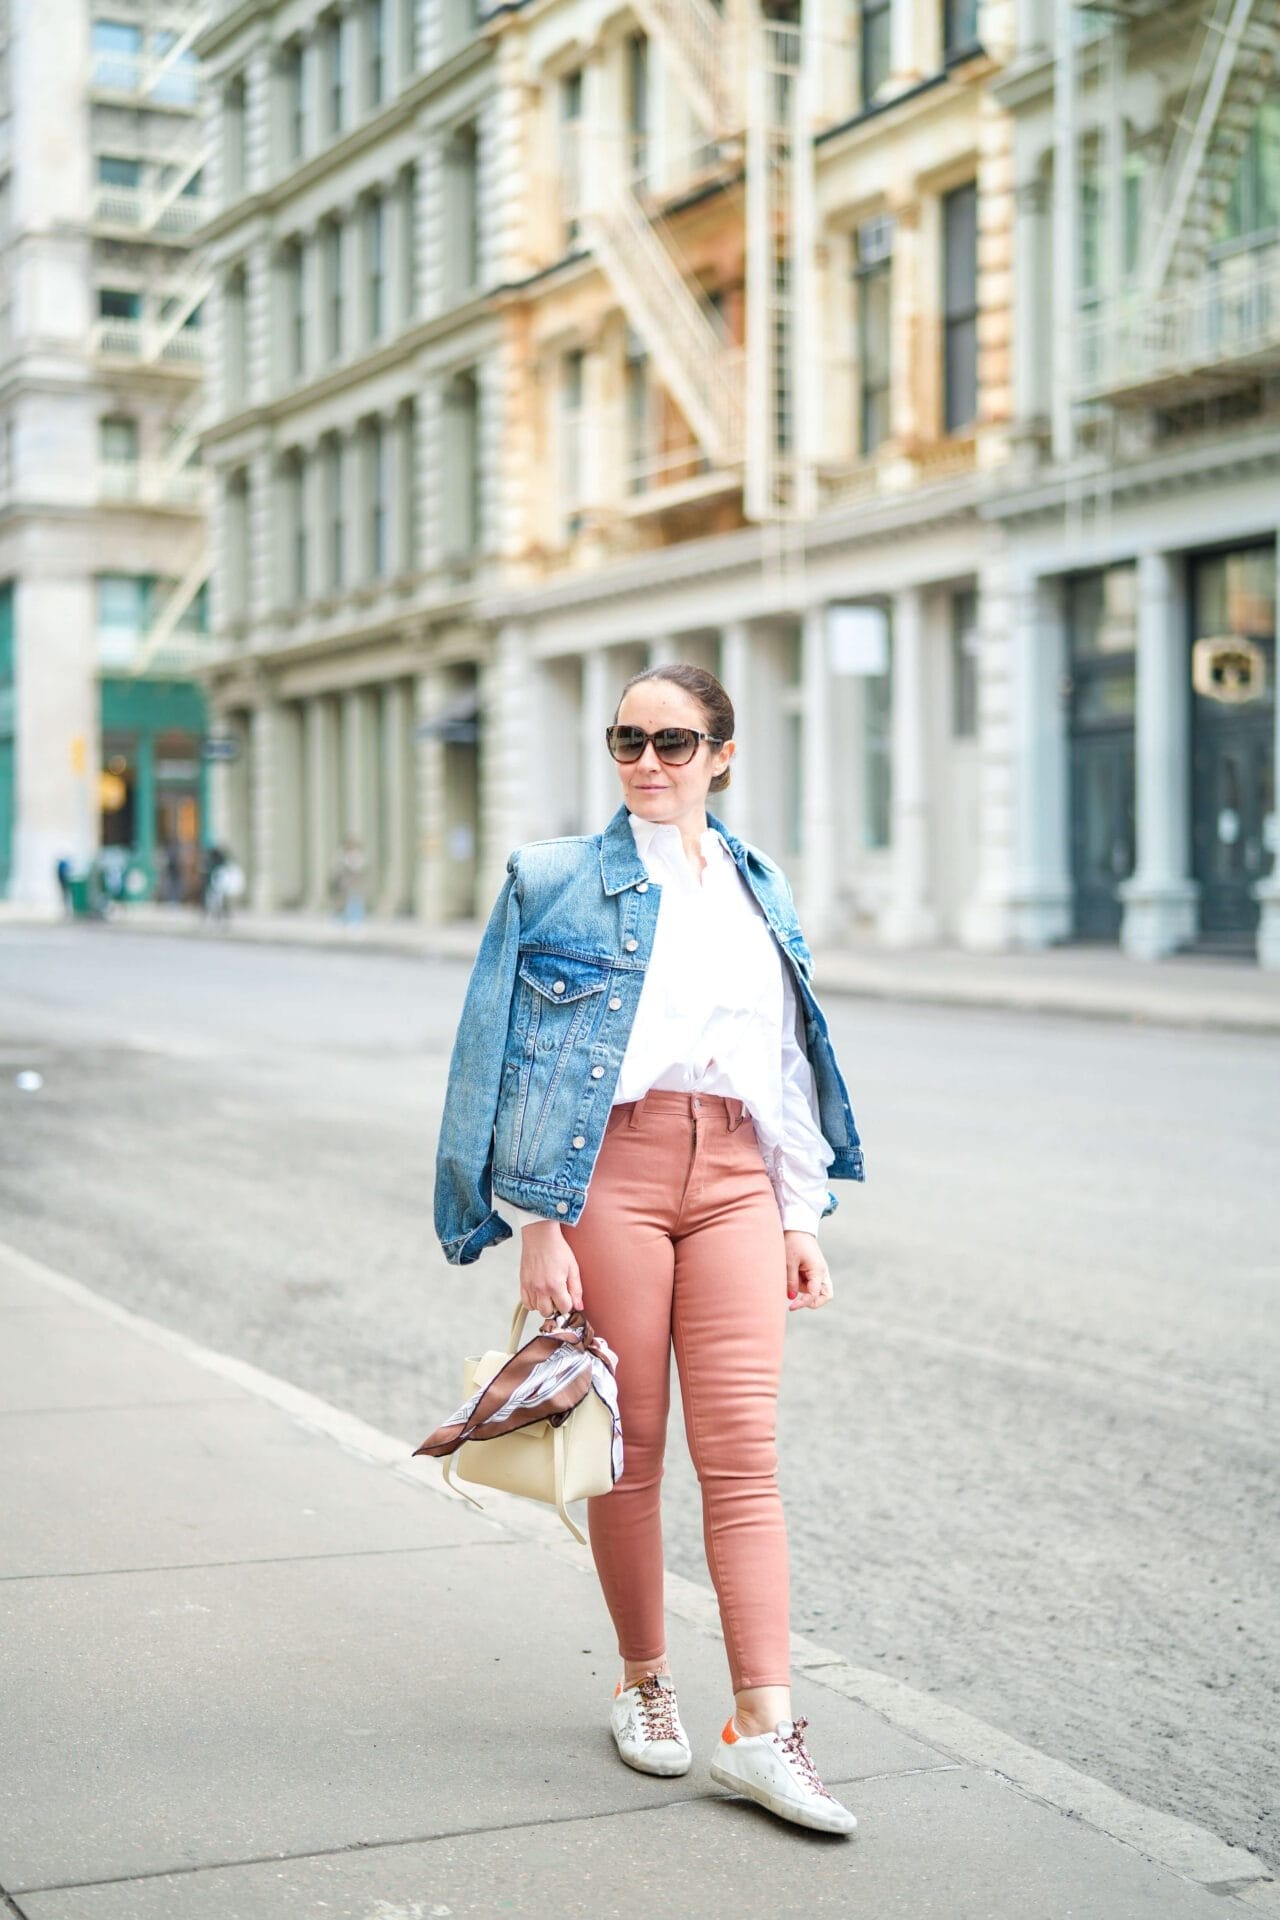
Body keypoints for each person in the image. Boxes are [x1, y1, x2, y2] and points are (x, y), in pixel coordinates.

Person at [433, 663, 866, 1837]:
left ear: (722, 754)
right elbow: (504, 1057)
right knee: (627, 1446)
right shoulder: (555, 879)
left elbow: (784, 1060)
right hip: (607, 1173)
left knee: (744, 1455)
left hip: (733, 1171)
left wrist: (797, 1214)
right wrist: (538, 1225)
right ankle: (643, 1682)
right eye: (627, 739)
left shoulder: (757, 884)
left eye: (673, 744)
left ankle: (763, 1730)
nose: (645, 762)